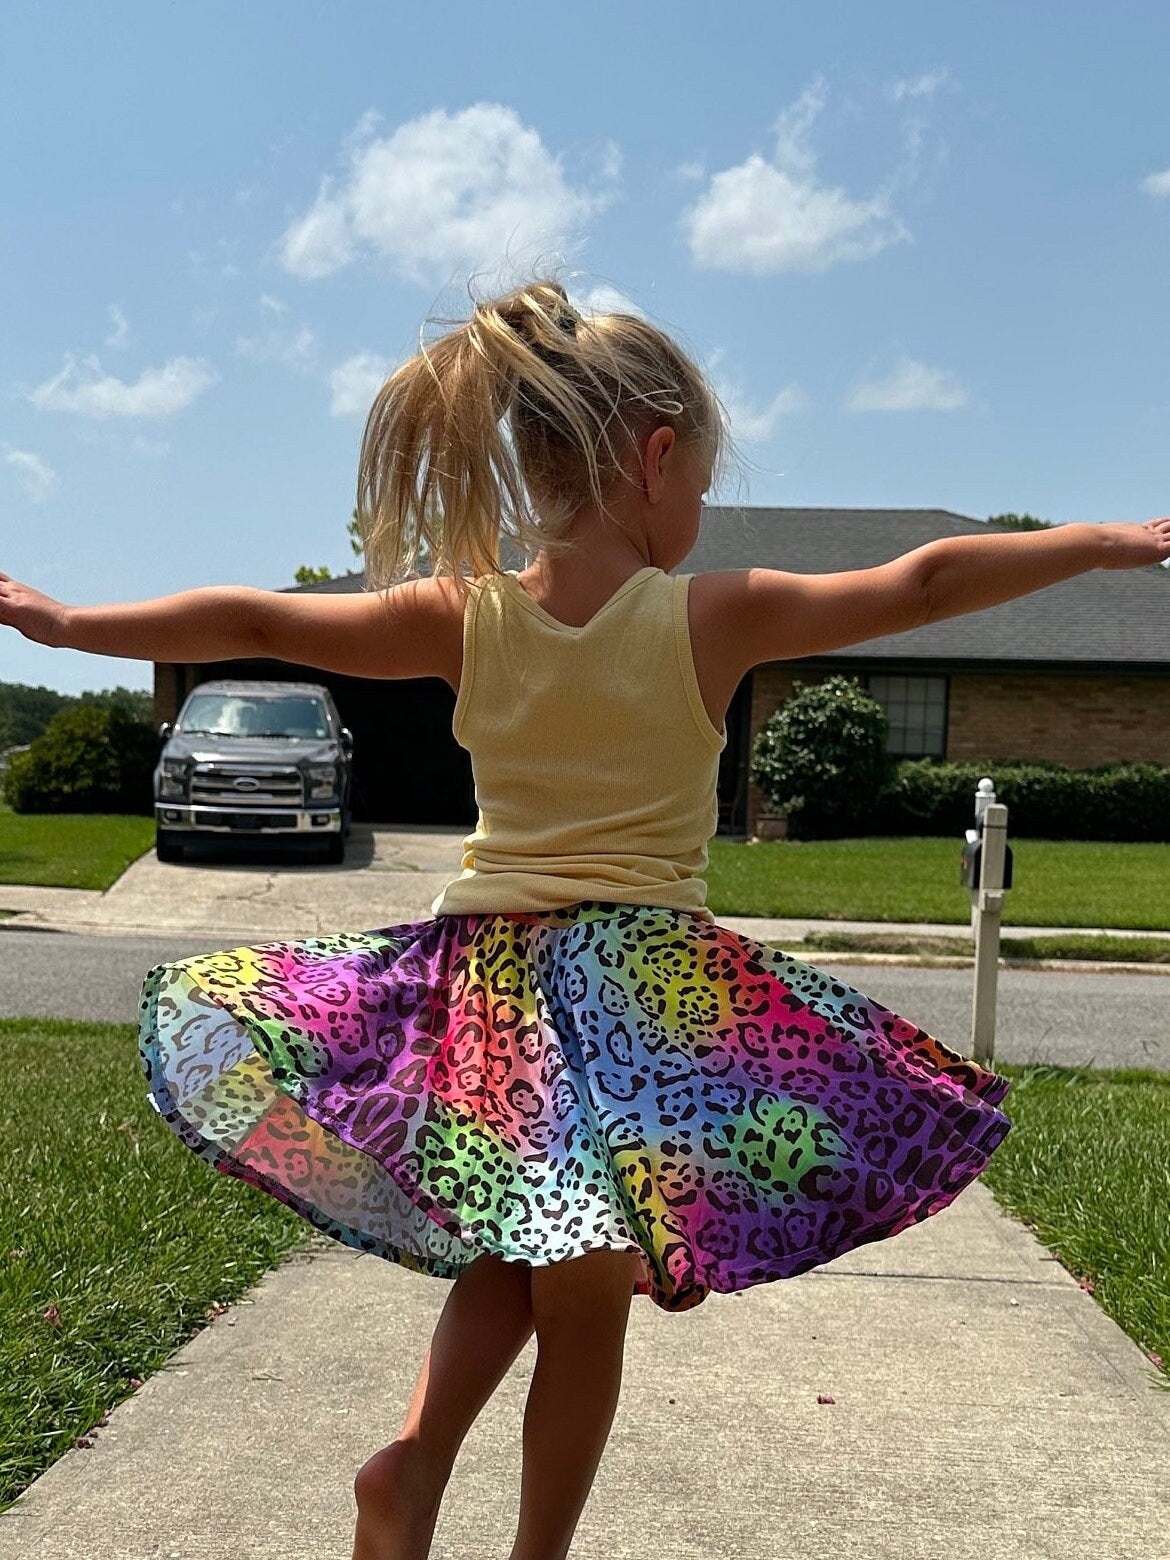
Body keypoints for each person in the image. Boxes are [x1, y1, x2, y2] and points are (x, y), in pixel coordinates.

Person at [2, 277, 1167, 1560]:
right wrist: (1104, 542)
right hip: (637, 996)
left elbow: (253, 619)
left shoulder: (466, 615)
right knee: (588, 1297)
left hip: (484, 992)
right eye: (704, 481)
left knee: (519, 1246)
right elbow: (928, 582)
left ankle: (412, 1470)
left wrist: (64, 623)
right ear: (656, 460)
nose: (703, 510)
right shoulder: (710, 614)